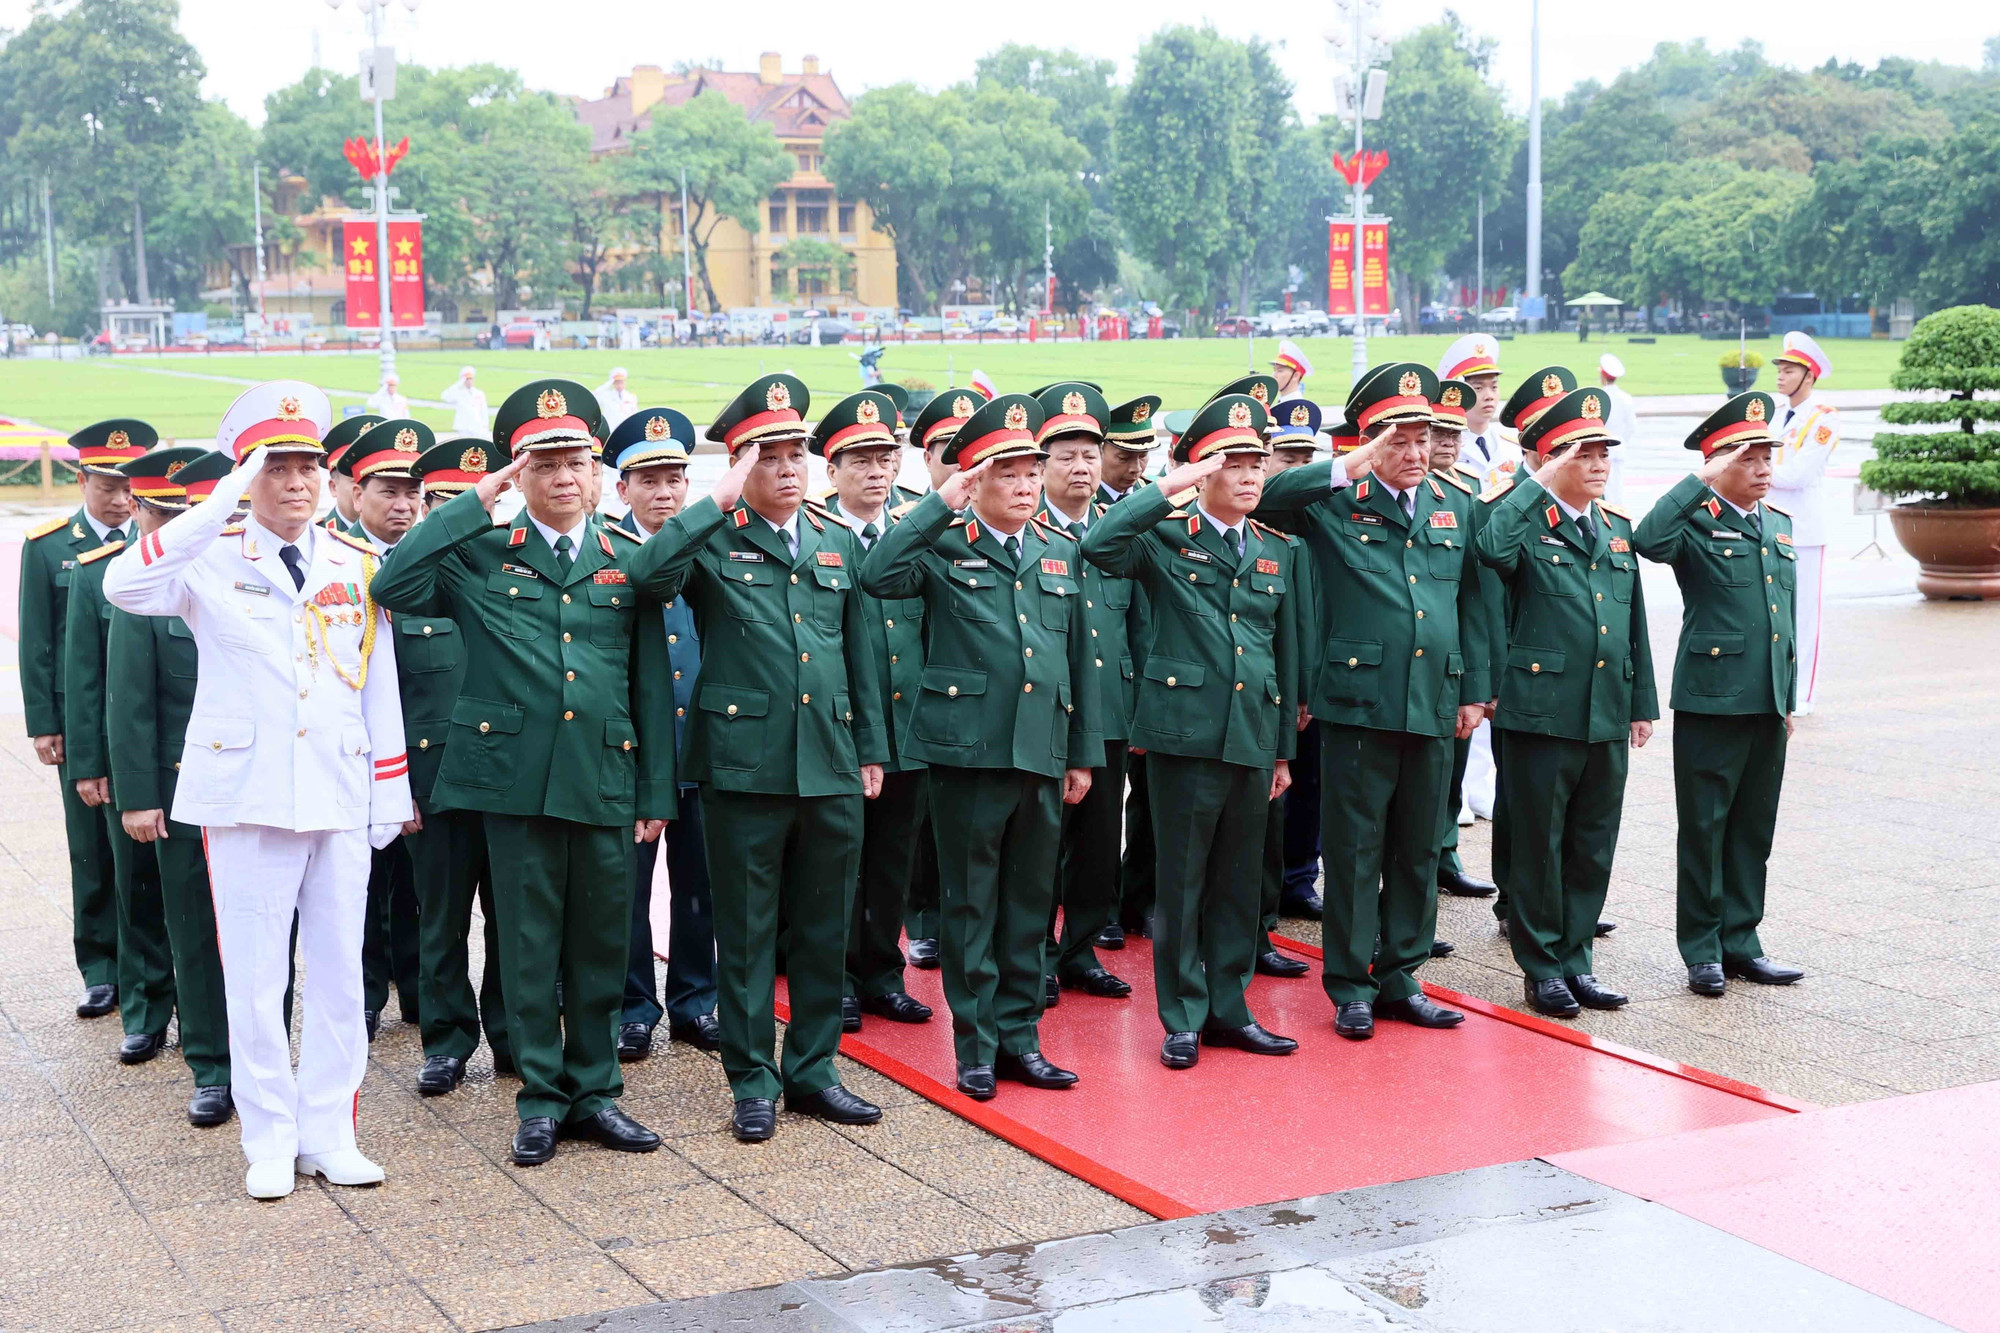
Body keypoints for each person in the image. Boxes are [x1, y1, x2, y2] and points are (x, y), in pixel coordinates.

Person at [103, 381, 414, 1200]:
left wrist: (391, 793)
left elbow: (376, 683)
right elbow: (122, 589)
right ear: (246, 476)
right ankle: (270, 1135)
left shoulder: (358, 563)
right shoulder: (205, 557)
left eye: (309, 465)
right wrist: (217, 505)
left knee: (343, 973)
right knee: (253, 974)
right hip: (245, 793)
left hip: (341, 788)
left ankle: (331, 1129)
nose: (297, 482)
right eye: (276, 466)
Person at [371, 378, 674, 1167]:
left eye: (577, 461)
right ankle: (541, 1097)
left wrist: (655, 789)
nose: (564, 476)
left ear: (600, 472)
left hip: (605, 778)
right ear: (519, 474)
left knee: (603, 943)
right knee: (530, 946)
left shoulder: (626, 560)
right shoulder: (480, 553)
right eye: (543, 463)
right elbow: (393, 584)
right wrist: (473, 502)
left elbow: (648, 680)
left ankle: (596, 1091)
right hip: (513, 781)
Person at [626, 374, 889, 1145]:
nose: (787, 468)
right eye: (768, 456)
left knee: (821, 925)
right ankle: (752, 1078)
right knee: (744, 935)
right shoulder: (711, 538)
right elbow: (647, 578)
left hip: (831, 762)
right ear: (739, 465)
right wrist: (713, 499)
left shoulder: (836, 541)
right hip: (745, 768)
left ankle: (813, 1070)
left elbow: (860, 651)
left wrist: (871, 745)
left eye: (795, 453)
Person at [859, 392, 1103, 1101]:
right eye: (1009, 474)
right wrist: (941, 502)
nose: (1027, 486)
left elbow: (1077, 658)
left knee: (1031, 904)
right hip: (968, 754)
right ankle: (976, 1046)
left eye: (1033, 473)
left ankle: (1021, 1038)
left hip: (1042, 751)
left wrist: (1081, 753)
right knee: (971, 908)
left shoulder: (1060, 552)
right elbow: (878, 577)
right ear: (975, 481)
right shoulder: (941, 545)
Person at [1256, 363, 1484, 1041]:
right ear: (1369, 440)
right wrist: (1349, 461)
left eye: (1424, 440)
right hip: (1359, 701)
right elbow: (1269, 498)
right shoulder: (1333, 498)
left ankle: (1401, 975)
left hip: (1433, 700)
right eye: (1399, 440)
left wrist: (1474, 688)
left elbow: (1469, 600)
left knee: (1416, 848)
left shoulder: (1454, 504)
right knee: (1355, 849)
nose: (1414, 454)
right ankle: (1352, 983)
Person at [1083, 393, 1303, 1068]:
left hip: (1251, 735)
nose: (1248, 475)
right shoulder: (1164, 536)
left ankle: (1229, 1009)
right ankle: (1181, 1013)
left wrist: (1284, 751)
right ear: (1201, 470)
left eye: (1255, 463)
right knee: (1181, 883)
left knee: (1240, 882)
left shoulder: (1277, 548)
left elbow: (1284, 654)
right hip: (1183, 736)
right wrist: (1167, 486)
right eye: (1231, 462)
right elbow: (1099, 542)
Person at [1474, 387, 1657, 1018]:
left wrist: (1642, 702)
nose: (1601, 462)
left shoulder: (1617, 528)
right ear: (1553, 461)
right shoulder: (1521, 520)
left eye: (1606, 451)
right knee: (1538, 845)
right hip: (1542, 710)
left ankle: (1577, 959)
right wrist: (1539, 481)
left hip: (1605, 710)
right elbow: (1490, 550)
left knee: (1591, 843)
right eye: (1586, 453)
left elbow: (1632, 624)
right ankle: (1542, 965)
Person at [1634, 392, 1807, 998]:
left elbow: (1784, 620)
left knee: (1752, 830)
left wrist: (1787, 699)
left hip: (1765, 703)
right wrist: (1697, 480)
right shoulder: (1695, 523)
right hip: (1712, 700)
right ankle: (1702, 950)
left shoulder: (1778, 526)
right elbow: (1647, 539)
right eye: (1750, 457)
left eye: (1768, 456)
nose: (1764, 468)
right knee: (1705, 828)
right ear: (1718, 462)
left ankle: (1743, 942)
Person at [105, 449, 236, 1125]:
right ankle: (214, 1064)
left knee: (266, 937)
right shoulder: (152, 584)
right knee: (195, 931)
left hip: (261, 789)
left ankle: (262, 1052)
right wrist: (137, 793)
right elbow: (129, 699)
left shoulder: (259, 572)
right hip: (185, 790)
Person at [64, 444, 206, 1068]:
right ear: (141, 511)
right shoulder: (101, 572)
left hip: (199, 762)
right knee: (138, 888)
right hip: (132, 760)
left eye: (185, 514)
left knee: (199, 904)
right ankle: (147, 1008)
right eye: (162, 514)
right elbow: (89, 681)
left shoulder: (215, 569)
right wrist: (91, 765)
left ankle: (203, 1017)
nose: (173, 527)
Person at [812, 391, 937, 1034]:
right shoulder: (815, 532)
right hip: (839, 727)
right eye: (858, 460)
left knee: (894, 858)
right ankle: (831, 978)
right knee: (839, 861)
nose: (875, 471)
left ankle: (883, 973)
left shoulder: (921, 527)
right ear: (831, 471)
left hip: (910, 724)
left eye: (885, 457)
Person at [601, 409, 722, 1060]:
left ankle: (696, 1000)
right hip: (631, 751)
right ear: (621, 487)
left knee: (701, 882)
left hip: (702, 743)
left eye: (675, 476)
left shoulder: (710, 542)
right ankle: (632, 1006)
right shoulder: (603, 551)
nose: (665, 491)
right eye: (648, 479)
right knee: (625, 888)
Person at [20, 420, 145, 1019]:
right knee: (91, 848)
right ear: (82, 480)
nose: (121, 500)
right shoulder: (48, 546)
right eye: (107, 487)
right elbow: (38, 642)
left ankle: (148, 965)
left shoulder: (155, 539)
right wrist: (46, 722)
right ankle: (101, 967)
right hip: (82, 722)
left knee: (144, 852)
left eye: (129, 488)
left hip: (143, 721)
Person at [399, 436, 512, 1094]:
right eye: (448, 501)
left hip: (508, 779)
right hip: (434, 783)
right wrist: (394, 788)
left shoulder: (518, 577)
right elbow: (380, 697)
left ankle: (509, 1033)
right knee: (439, 919)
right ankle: (445, 1040)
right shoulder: (410, 585)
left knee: (512, 921)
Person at [1031, 382, 1136, 1004]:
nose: (1081, 467)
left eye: (1091, 454)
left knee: (1099, 841)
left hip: (1112, 708)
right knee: (1043, 843)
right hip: (1046, 711)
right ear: (1040, 464)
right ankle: (1037, 952)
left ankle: (1081, 949)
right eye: (1066, 455)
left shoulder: (1122, 529)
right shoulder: (1026, 527)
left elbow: (1143, 624)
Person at [336, 425, 427, 1039]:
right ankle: (366, 996)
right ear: (356, 493)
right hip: (355, 749)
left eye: (411, 494)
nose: (401, 505)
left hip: (422, 745)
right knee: (362, 886)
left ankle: (421, 992)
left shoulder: (433, 554)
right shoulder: (331, 558)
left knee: (422, 888)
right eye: (388, 491)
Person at [900, 388, 987, 967]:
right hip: (911, 692)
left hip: (973, 700)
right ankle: (923, 918)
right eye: (945, 453)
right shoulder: (913, 521)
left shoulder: (993, 526)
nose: (959, 467)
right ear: (928, 460)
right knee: (913, 826)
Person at [1255, 400, 1326, 964]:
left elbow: (1306, 619)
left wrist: (1305, 688)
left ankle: (1287, 894)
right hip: (1247, 691)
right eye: (1286, 456)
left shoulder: (1317, 514)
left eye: (1307, 456)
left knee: (1298, 799)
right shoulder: (1259, 514)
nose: (1296, 468)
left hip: (1306, 681)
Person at [1425, 383, 1497, 902]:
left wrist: (1482, 677)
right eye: (1436, 431)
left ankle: (1444, 853)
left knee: (1451, 771)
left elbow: (1479, 596)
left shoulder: (1470, 493)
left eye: (1453, 432)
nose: (1447, 442)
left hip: (1454, 660)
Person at [1098, 396, 1164, 947]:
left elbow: (1149, 615)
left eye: (1145, 454)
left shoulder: (1155, 504)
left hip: (1143, 679)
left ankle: (1135, 900)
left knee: (1144, 805)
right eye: (1125, 454)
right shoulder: (1091, 512)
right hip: (1092, 681)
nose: (1137, 466)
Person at [1769, 331, 1838, 716]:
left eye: (1789, 369)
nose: (1780, 375)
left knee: (1804, 616)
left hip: (1806, 528)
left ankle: (1803, 695)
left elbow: (1796, 474)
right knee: (1773, 611)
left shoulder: (1824, 420)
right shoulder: (1775, 414)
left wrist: (1759, 467)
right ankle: (1777, 687)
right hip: (1770, 523)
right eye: (1779, 368)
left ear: (1809, 375)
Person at [319, 415, 384, 536]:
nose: (368, 490)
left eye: (378, 483)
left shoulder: (402, 540)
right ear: (333, 487)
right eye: (358, 481)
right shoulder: (317, 538)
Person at [1596, 354, 1637, 506]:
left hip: (1601, 446)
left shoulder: (1599, 397)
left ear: (1602, 375)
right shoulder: (1626, 398)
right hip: (1619, 446)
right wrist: (1621, 440)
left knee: (1603, 486)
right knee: (1617, 486)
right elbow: (1632, 427)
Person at [440, 367, 491, 437]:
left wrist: (485, 425)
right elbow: (444, 396)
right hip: (464, 427)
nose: (469, 381)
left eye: (471, 379)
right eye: (467, 379)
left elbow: (484, 411)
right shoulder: (458, 393)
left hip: (477, 425)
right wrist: (458, 384)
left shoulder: (479, 393)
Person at [595, 367, 638, 431]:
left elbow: (635, 415)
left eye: (622, 382)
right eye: (617, 382)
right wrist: (607, 384)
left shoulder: (631, 397)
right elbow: (594, 395)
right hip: (610, 430)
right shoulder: (606, 396)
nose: (620, 385)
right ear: (613, 383)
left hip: (626, 429)